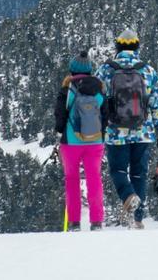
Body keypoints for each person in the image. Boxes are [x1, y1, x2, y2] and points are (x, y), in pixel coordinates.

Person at [95, 28, 158, 229]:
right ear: (137, 47)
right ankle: (138, 219)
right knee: (139, 174)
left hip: (115, 132)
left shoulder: (106, 70)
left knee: (118, 170)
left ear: (118, 47)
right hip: (143, 131)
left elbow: (97, 100)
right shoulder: (148, 71)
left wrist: (99, 125)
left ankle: (128, 195)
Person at [54, 50, 108, 232]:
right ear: (90, 70)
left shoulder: (67, 90)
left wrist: (61, 131)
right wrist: (100, 133)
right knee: (94, 179)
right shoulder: (99, 89)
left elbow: (59, 118)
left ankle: (74, 222)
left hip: (71, 142)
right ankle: (96, 221)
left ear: (72, 70)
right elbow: (106, 114)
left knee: (72, 180)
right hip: (95, 141)